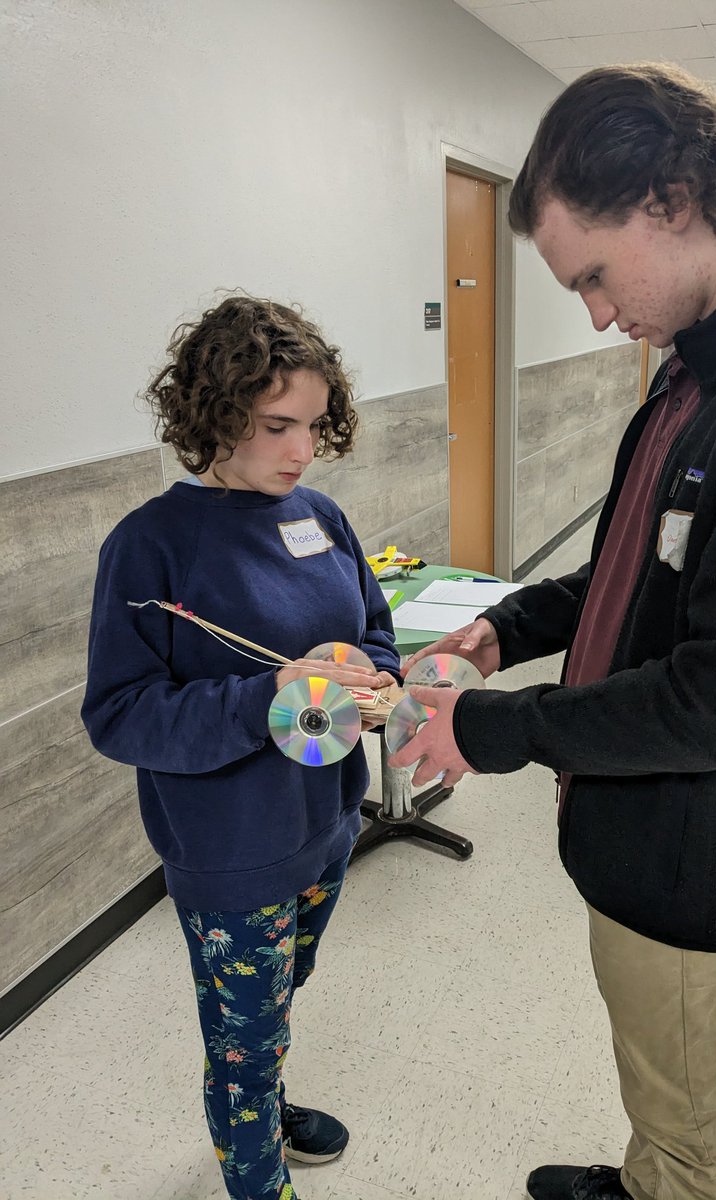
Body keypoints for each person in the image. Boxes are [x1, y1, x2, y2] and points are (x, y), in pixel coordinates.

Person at [390, 63, 716, 1200]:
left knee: (687, 1105)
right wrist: (504, 628)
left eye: (594, 277)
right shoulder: (701, 374)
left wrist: (494, 727)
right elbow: (633, 564)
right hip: (639, 799)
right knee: (655, 1067)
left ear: (671, 199)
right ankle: (644, 1175)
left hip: (694, 826)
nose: (598, 313)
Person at [82, 295, 400, 1200]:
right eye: (276, 426)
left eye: (313, 424)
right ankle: (256, 1171)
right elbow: (122, 713)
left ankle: (263, 1094)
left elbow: (372, 635)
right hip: (231, 849)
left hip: (326, 821)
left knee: (272, 1002)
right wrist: (268, 696)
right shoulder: (150, 548)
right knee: (241, 1031)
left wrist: (373, 679)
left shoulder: (321, 518)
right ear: (215, 417)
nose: (302, 450)